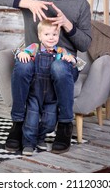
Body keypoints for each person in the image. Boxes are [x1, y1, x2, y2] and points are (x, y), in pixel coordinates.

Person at [0, 0, 92, 154]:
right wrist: (27, 3)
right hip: (34, 59)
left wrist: (67, 24)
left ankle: (64, 125)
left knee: (58, 67)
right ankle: (18, 124)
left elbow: (85, 45)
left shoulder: (80, 4)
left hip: (63, 63)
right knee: (23, 62)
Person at [16, 20, 79, 156]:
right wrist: (22, 54)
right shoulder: (35, 47)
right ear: (40, 36)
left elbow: (74, 63)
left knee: (50, 122)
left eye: (54, 34)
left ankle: (40, 138)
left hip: (52, 94)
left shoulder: (61, 51)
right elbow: (20, 52)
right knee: (31, 119)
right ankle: (28, 143)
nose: (51, 37)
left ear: (58, 36)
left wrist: (71, 60)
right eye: (47, 34)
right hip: (35, 92)